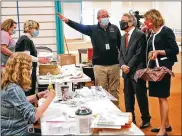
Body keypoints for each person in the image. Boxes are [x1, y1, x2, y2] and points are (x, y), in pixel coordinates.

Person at [57, 9, 121, 106]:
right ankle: (103, 110)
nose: (105, 18)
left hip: (114, 65)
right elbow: (79, 27)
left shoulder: (115, 29)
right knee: (101, 90)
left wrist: (122, 62)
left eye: (107, 16)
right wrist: (68, 21)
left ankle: (115, 110)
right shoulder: (92, 29)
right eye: (103, 16)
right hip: (99, 66)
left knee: (114, 90)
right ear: (98, 18)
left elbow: (121, 46)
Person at [1, 52, 56, 135]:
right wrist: (50, 98)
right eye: (30, 67)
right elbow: (33, 116)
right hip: (16, 133)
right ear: (23, 70)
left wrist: (37, 96)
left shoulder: (8, 84)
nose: (31, 70)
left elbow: (19, 102)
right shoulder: (14, 89)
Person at [144, 9, 179, 136]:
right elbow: (151, 49)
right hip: (154, 68)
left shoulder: (166, 31)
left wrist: (159, 52)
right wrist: (151, 53)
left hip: (164, 68)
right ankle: (166, 125)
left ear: (154, 18)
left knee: (163, 97)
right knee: (160, 97)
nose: (145, 22)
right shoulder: (151, 33)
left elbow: (174, 49)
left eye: (147, 19)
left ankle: (163, 130)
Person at [119, 13, 151, 128]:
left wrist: (129, 67)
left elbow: (139, 54)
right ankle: (131, 119)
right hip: (126, 72)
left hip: (137, 71)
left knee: (141, 96)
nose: (121, 23)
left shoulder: (140, 35)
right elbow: (121, 54)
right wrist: (123, 66)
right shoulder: (123, 37)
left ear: (131, 22)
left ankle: (146, 119)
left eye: (123, 20)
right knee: (128, 97)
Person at [15, 20, 49, 96]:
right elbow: (26, 56)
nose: (37, 31)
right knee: (28, 93)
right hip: (25, 71)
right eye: (36, 29)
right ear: (30, 28)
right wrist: (39, 59)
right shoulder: (25, 40)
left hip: (27, 70)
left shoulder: (27, 39)